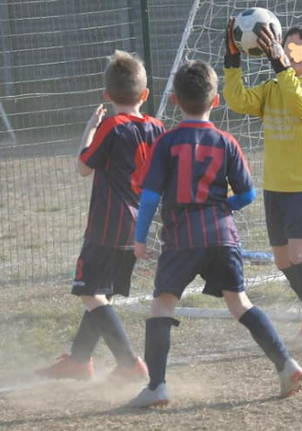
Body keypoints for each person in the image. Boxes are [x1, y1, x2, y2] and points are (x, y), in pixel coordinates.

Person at [128, 60, 302, 408]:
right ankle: (285, 364)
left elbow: (149, 197)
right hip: (223, 235)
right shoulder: (226, 141)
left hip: (181, 238)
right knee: (240, 303)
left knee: (162, 306)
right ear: (217, 100)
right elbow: (248, 194)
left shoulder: (167, 142)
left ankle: (157, 387)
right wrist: (223, 207)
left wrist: (139, 237)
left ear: (175, 100)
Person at [36, 50, 165, 382]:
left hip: (107, 225)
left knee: (89, 291)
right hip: (139, 225)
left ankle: (128, 362)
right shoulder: (157, 127)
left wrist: (90, 129)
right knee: (101, 292)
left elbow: (83, 166)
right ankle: (79, 361)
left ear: (107, 95)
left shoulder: (112, 125)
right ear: (145, 94)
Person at [223, 21, 302, 352]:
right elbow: (238, 100)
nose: (294, 53)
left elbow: (300, 105)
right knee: (284, 261)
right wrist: (233, 61)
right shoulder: (272, 88)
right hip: (275, 187)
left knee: (301, 255)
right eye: (288, 47)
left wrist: (280, 65)